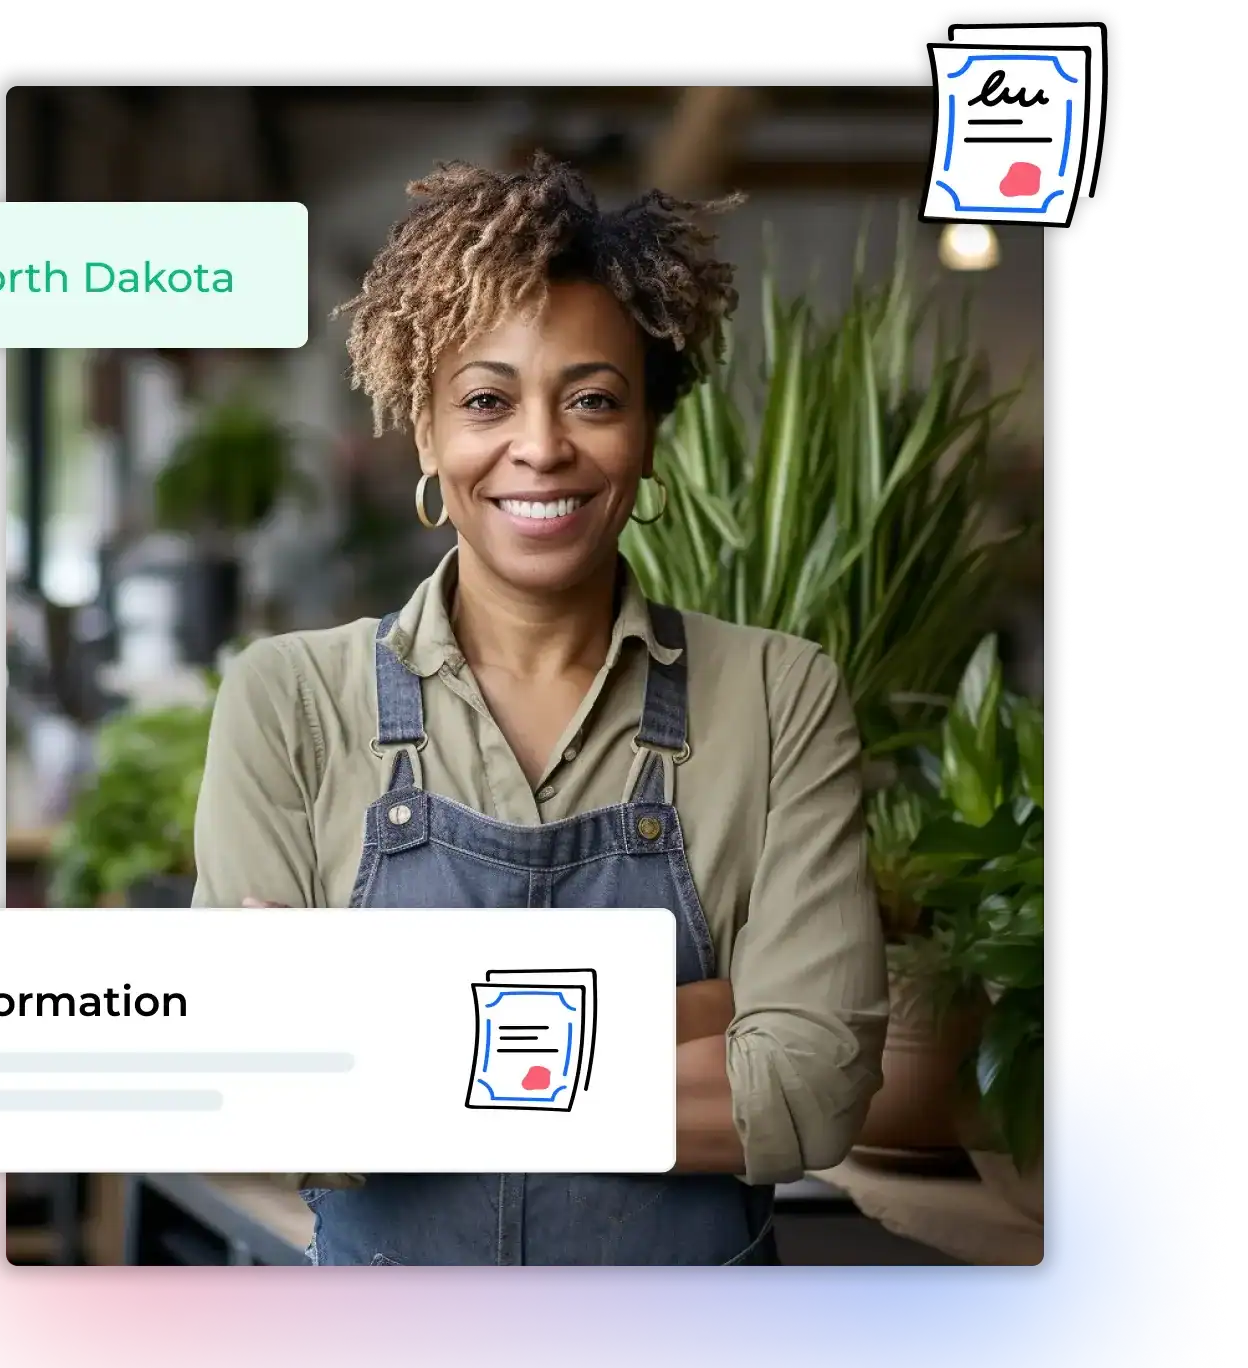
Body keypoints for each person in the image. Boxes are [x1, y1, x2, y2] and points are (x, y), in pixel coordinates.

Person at [192, 154, 888, 1267]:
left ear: (649, 432)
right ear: (424, 433)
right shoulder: (287, 699)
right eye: (483, 398)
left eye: (592, 398)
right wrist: (689, 1016)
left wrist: (389, 1037)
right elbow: (258, 1094)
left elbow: (808, 1091)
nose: (540, 445)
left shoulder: (775, 692)